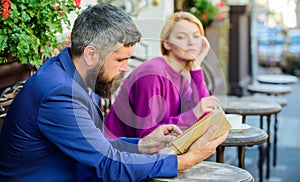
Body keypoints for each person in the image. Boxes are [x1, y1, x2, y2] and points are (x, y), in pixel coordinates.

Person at [0, 4, 228, 181]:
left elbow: (99, 146)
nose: (126, 67)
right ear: (91, 54)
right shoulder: (60, 93)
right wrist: (185, 161)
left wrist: (143, 145)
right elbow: (108, 165)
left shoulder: (74, 73)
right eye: (120, 59)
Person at [104, 11, 220, 139]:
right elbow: (147, 136)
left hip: (160, 148)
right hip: (119, 150)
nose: (191, 42)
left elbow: (203, 118)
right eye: (181, 37)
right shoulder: (152, 75)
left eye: (196, 36)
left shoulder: (182, 74)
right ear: (167, 44)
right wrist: (195, 112)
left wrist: (196, 68)